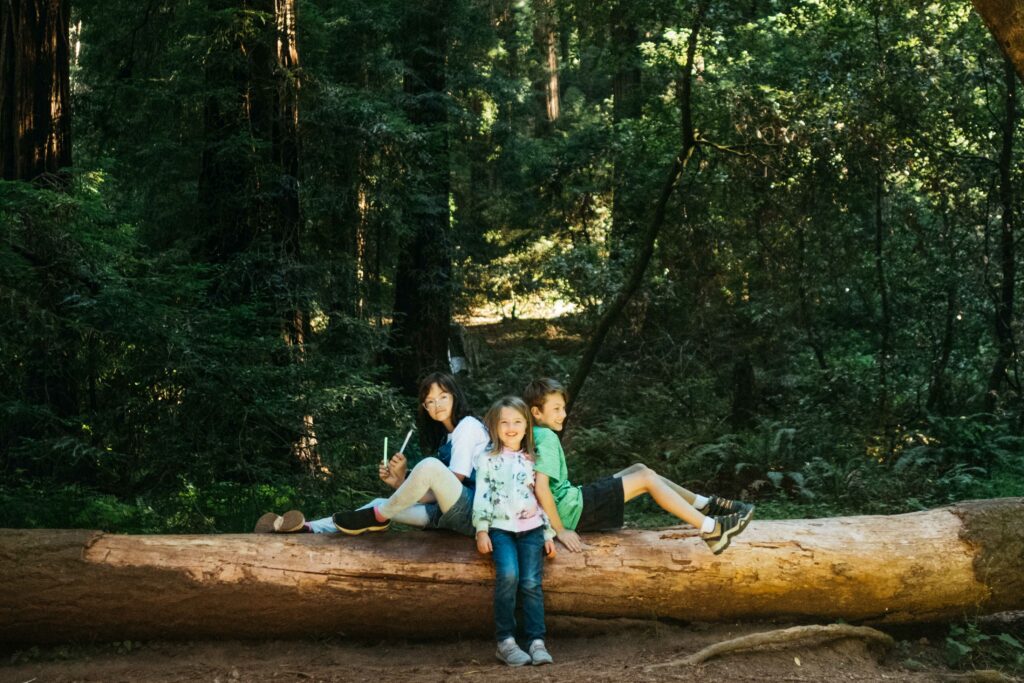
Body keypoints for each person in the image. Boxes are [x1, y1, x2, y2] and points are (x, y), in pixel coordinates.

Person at [524, 378, 754, 555]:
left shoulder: (535, 434)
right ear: (536, 412)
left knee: (638, 468)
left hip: (574, 501)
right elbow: (541, 488)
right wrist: (561, 530)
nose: (563, 414)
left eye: (564, 408)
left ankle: (704, 505)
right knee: (644, 477)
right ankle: (711, 529)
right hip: (573, 511)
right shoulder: (546, 438)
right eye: (556, 409)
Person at [255, 371, 488, 537]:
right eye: (430, 401)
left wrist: (409, 480)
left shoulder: (467, 426)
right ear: (425, 408)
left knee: (428, 466)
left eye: (443, 397)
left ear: (455, 396)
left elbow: (453, 482)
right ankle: (308, 527)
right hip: (447, 516)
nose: (437, 404)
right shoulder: (447, 437)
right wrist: (399, 482)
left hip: (474, 515)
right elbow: (437, 495)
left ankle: (380, 515)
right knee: (378, 503)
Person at [473, 396, 556, 667]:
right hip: (501, 529)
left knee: (531, 583)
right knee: (508, 576)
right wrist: (481, 530)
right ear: (495, 427)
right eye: (504, 422)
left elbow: (539, 498)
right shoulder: (487, 459)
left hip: (531, 529)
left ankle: (536, 641)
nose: (511, 427)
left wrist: (547, 532)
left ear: (526, 425)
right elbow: (482, 494)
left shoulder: (532, 458)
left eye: (517, 421)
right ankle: (506, 642)